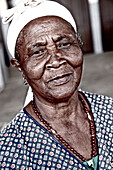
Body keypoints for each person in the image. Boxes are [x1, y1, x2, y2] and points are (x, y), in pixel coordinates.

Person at [0, 0, 113, 169]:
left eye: (64, 44)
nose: (56, 61)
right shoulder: (9, 149)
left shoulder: (109, 110)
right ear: (19, 66)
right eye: (38, 52)